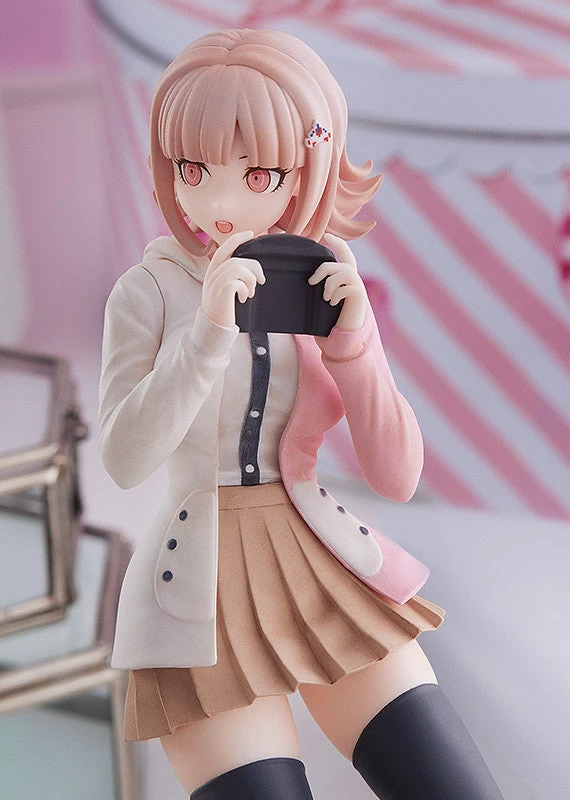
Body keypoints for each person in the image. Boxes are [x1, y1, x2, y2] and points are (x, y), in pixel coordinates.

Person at [99, 28, 504, 800]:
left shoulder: (319, 280)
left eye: (257, 174)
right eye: (193, 169)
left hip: (324, 566)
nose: (221, 204)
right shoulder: (146, 293)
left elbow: (396, 477)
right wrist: (206, 336)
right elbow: (123, 458)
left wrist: (357, 348)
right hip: (196, 593)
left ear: (304, 171)